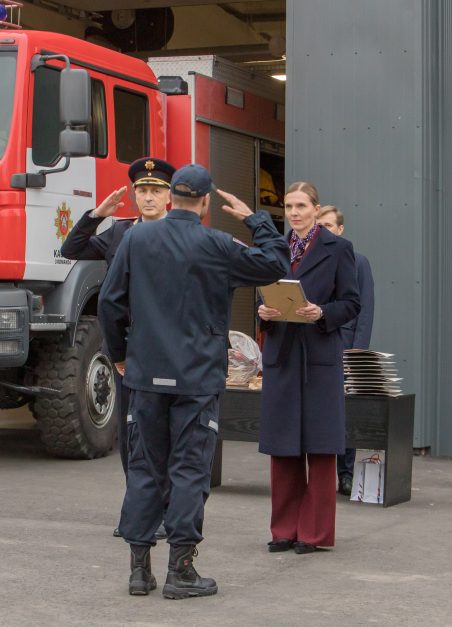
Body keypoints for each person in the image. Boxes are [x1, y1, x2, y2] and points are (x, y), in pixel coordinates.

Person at [99, 165, 288, 598]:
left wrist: (120, 355)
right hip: (197, 377)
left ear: (172, 198)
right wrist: (255, 219)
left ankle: (138, 570)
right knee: (189, 469)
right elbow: (276, 264)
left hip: (145, 374)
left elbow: (111, 301)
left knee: (145, 468)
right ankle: (180, 571)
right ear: (204, 203)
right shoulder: (216, 243)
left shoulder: (136, 238)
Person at [61, 157, 175, 539]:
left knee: (164, 435)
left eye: (156, 191)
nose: (148, 197)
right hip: (127, 351)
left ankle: (165, 511)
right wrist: (97, 214)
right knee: (131, 435)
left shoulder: (181, 234)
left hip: (168, 349)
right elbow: (72, 247)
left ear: (170, 197)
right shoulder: (119, 232)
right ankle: (139, 512)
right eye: (142, 191)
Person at [257, 182, 360, 554]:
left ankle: (314, 534)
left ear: (316, 209)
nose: (294, 213)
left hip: (318, 358)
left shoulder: (339, 250)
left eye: (301, 205)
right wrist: (263, 312)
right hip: (282, 357)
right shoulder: (275, 249)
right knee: (283, 448)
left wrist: (321, 313)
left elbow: (351, 303)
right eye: (288, 206)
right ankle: (284, 530)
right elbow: (263, 291)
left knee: (319, 448)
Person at [316, 205, 375, 497]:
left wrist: (358, 354)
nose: (324, 230)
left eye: (329, 226)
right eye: (320, 225)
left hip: (346, 349)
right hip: (319, 347)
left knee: (344, 413)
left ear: (340, 229)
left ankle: (346, 474)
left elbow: (364, 311)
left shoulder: (358, 262)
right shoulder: (310, 261)